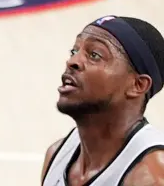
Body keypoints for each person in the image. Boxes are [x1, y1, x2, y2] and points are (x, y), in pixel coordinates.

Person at [42, 16, 164, 185]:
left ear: (138, 84)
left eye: (94, 55)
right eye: (74, 51)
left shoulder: (151, 176)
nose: (72, 61)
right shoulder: (56, 155)